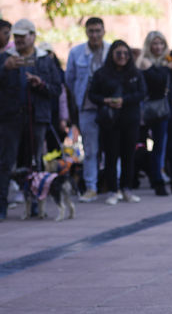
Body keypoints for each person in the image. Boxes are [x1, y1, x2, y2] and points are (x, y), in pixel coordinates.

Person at [0, 19, 62, 221]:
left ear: (33, 36)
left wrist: (41, 84)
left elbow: (56, 89)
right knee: (6, 162)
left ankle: (35, 203)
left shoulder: (45, 59)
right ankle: (2, 205)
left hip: (37, 118)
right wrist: (4, 69)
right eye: (15, 36)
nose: (17, 39)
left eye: (22, 36)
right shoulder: (5, 58)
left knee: (35, 162)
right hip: (10, 118)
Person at [88, 40, 146, 205]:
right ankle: (113, 190)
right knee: (111, 156)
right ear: (111, 54)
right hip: (110, 121)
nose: (122, 57)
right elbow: (92, 95)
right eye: (118, 53)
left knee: (129, 156)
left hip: (130, 119)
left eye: (125, 53)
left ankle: (127, 189)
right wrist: (106, 100)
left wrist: (124, 100)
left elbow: (142, 93)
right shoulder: (102, 73)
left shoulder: (135, 73)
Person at [136, 31, 172, 196]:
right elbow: (157, 79)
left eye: (161, 43)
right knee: (159, 144)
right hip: (157, 105)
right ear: (149, 45)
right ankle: (157, 181)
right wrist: (170, 66)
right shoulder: (144, 61)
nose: (158, 47)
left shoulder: (170, 61)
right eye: (155, 43)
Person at [66, 17, 110, 202]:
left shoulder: (112, 51)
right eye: (91, 31)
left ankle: (113, 185)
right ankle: (90, 187)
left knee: (112, 148)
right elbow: (69, 80)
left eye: (97, 31)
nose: (94, 35)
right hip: (86, 107)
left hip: (110, 107)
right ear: (86, 32)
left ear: (103, 31)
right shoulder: (76, 53)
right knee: (90, 149)